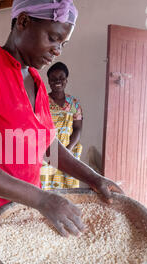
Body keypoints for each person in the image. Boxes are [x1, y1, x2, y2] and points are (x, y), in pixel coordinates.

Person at [0, 0, 123, 264]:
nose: (57, 51)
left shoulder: (36, 80)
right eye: (53, 38)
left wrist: (93, 178)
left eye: (63, 43)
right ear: (23, 22)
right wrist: (43, 199)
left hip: (24, 216)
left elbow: (48, 145)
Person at [40, 61, 83, 190]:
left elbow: (77, 128)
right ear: (48, 81)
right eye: (53, 79)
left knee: (67, 189)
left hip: (68, 150)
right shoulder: (42, 102)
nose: (57, 81)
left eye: (61, 78)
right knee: (45, 188)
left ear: (66, 80)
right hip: (47, 151)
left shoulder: (74, 103)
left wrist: (68, 150)